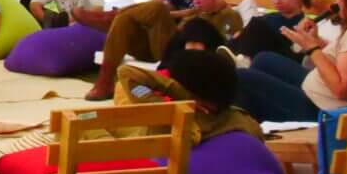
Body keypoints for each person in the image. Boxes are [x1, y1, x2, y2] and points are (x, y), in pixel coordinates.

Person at [87, 0, 240, 100]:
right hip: (164, 47)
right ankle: (105, 81)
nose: (196, 1)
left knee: (158, 7)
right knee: (125, 21)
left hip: (178, 54)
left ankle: (111, 16)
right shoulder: (197, 11)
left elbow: (224, 48)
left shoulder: (230, 16)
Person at [113, 45, 264, 142]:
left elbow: (126, 73)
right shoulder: (244, 121)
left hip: (138, 145)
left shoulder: (170, 118)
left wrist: (180, 94)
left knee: (99, 120)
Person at [223, 0, 314, 65]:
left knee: (257, 23)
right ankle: (225, 58)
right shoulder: (270, 17)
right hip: (254, 53)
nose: (277, 1)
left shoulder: (304, 24)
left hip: (281, 59)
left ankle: (241, 59)